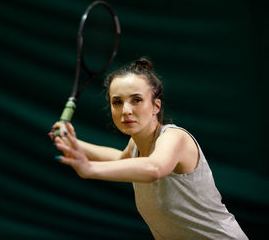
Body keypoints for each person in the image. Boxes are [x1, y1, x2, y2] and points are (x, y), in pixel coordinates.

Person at [49, 57, 248, 239]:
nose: (125, 110)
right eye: (117, 102)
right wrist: (76, 144)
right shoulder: (136, 144)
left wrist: (90, 169)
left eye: (136, 100)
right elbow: (122, 160)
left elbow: (154, 168)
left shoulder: (175, 138)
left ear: (156, 106)